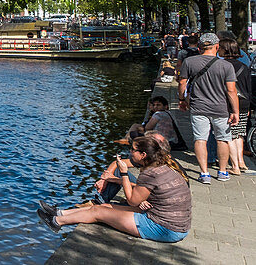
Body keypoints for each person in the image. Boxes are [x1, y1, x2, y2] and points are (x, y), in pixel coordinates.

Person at [39, 135, 191, 243]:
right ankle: (60, 213)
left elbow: (132, 201)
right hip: (172, 223)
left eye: (133, 150)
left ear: (143, 154)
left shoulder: (150, 173)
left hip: (164, 228)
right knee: (104, 206)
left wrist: (124, 172)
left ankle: (56, 221)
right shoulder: (161, 166)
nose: (130, 152)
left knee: (98, 212)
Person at [178, 32, 240, 183]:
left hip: (198, 107)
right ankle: (223, 172)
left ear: (199, 47)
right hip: (221, 109)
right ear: (217, 47)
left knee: (200, 139)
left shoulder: (189, 62)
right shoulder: (226, 65)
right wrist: (235, 112)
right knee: (222, 140)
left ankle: (204, 173)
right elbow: (231, 91)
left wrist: (182, 100)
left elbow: (182, 83)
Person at [219, 37, 256, 175]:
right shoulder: (244, 67)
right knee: (239, 134)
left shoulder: (221, 65)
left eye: (220, 47)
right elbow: (248, 88)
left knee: (230, 135)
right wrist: (249, 106)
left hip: (229, 103)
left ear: (225, 49)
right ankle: (241, 162)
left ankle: (235, 167)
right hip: (244, 102)